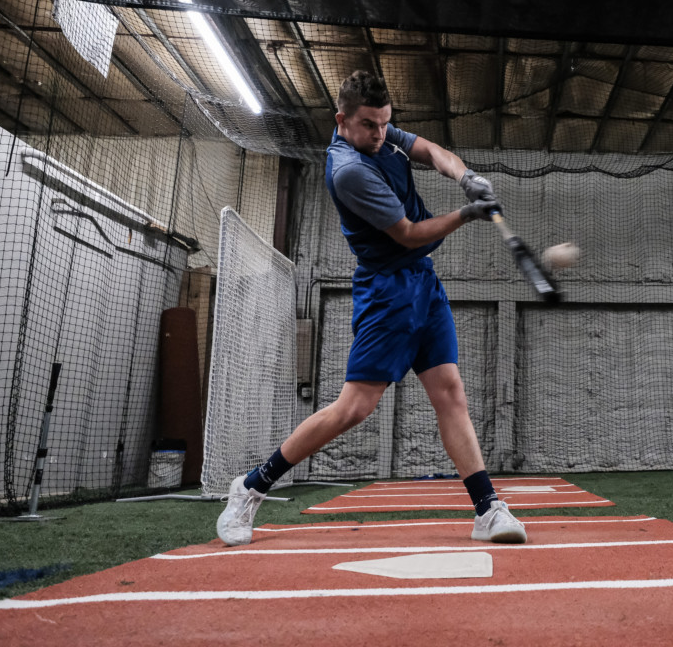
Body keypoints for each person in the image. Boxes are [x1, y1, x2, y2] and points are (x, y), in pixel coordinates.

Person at [216, 69, 526, 546]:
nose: (380, 134)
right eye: (369, 125)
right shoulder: (350, 170)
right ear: (342, 121)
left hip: (422, 282)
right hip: (386, 291)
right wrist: (467, 213)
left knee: (450, 392)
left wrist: (465, 176)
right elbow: (408, 233)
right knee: (354, 408)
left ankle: (487, 508)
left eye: (385, 123)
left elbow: (429, 150)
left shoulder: (381, 137)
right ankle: (251, 486)